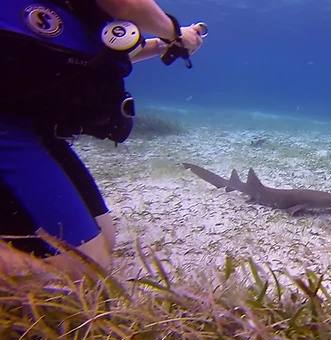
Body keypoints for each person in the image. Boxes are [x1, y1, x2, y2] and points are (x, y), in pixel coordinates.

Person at [0, 0, 205, 276]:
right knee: (83, 274)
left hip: (34, 129)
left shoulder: (77, 14)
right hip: (8, 129)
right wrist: (175, 32)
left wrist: (162, 45)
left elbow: (96, 54)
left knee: (105, 235)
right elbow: (127, 5)